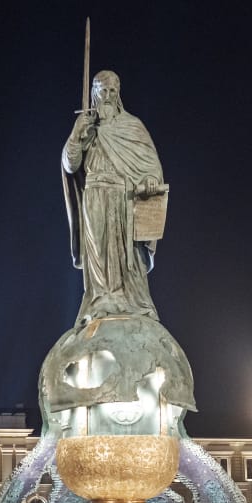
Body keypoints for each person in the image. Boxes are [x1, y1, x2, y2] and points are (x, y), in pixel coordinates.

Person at [61, 69, 166, 326]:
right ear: (94, 94)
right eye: (102, 91)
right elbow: (70, 164)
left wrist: (150, 180)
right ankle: (101, 301)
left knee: (128, 257)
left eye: (112, 91)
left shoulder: (132, 126)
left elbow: (151, 166)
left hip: (124, 198)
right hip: (95, 196)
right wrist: (76, 133)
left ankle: (136, 303)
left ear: (118, 94)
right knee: (99, 252)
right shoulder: (87, 127)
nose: (107, 96)